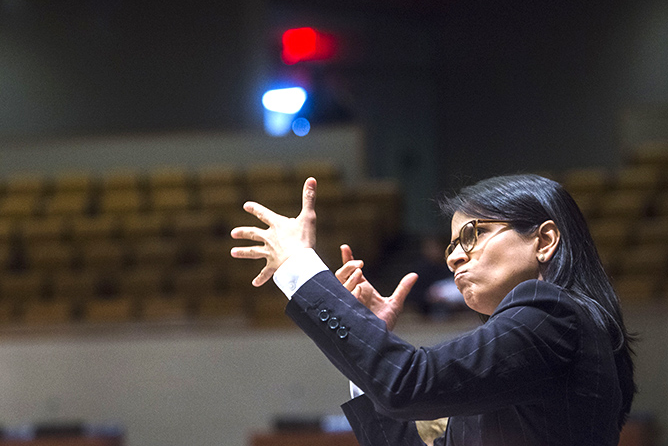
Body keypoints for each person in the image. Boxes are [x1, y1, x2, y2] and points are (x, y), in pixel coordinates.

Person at [230, 174, 635, 446]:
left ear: (544, 240)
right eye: (451, 245)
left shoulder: (553, 314)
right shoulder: (527, 350)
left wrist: (299, 266)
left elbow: (407, 384)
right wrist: (371, 342)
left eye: (472, 234)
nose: (455, 257)